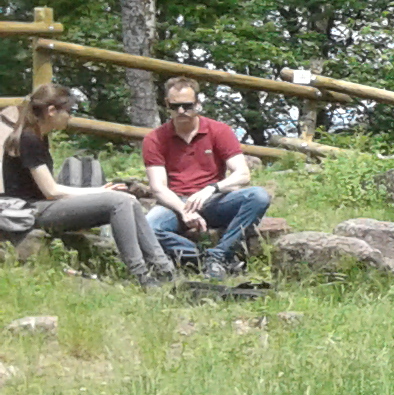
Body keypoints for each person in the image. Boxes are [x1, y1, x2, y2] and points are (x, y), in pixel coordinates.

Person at [1, 83, 177, 287]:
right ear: (51, 111)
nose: (70, 117)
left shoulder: (39, 137)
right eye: (68, 111)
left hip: (40, 206)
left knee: (129, 200)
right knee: (119, 202)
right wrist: (99, 191)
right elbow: (51, 190)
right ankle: (141, 275)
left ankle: (164, 270)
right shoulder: (28, 139)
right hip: (30, 211)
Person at [141, 76, 272, 276]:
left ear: (198, 104)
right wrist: (183, 210)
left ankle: (219, 255)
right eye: (175, 106)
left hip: (213, 199)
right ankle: (204, 257)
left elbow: (243, 173)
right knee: (148, 228)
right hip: (174, 203)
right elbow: (158, 187)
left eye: (187, 106)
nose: (181, 111)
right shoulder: (155, 139)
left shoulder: (219, 130)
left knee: (258, 196)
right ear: (167, 105)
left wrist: (211, 189)